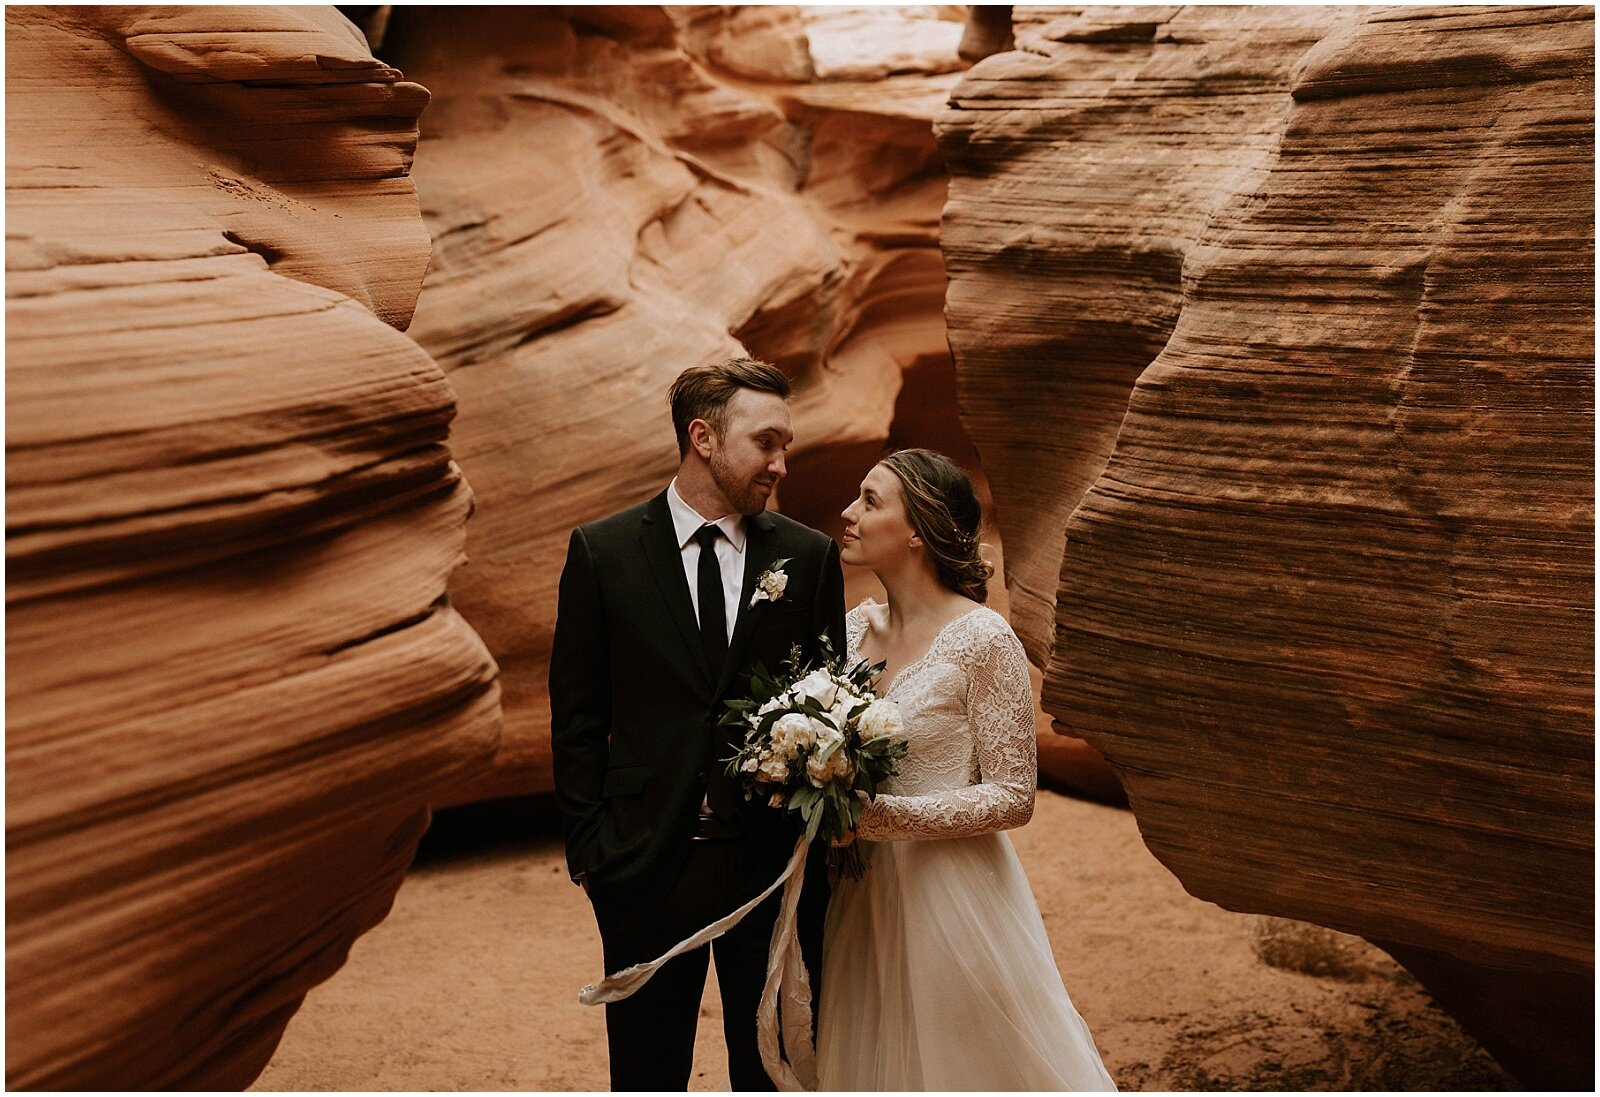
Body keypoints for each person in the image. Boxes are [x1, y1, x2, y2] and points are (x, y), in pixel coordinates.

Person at [549, 357, 844, 1091]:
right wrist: (594, 850)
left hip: (772, 866)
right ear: (704, 437)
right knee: (647, 1074)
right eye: (766, 441)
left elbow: (832, 700)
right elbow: (578, 714)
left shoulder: (807, 558)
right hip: (644, 864)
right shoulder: (603, 552)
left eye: (787, 444)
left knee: (775, 1071)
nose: (782, 461)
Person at [817, 448, 1118, 1091]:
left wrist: (887, 818)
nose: (848, 513)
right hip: (859, 891)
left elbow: (1014, 795)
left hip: (954, 894)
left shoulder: (984, 638)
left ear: (918, 531)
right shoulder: (848, 632)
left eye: (870, 501)